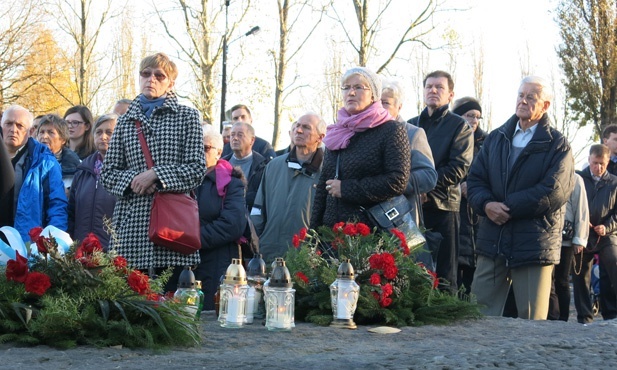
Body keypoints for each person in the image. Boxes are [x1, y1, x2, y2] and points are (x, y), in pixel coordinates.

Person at [467, 76, 574, 320]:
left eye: (531, 97)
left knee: (531, 323)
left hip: (533, 243)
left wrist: (506, 207)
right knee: (477, 316)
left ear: (545, 106)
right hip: (494, 238)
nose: (523, 101)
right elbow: (475, 180)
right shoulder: (495, 138)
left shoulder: (558, 145)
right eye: (520, 95)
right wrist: (486, 204)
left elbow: (554, 191)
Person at [101, 52, 206, 289]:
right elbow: (108, 174)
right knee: (130, 304)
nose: (152, 79)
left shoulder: (187, 117)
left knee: (173, 304)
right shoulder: (125, 121)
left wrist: (157, 174)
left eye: (160, 75)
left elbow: (197, 169)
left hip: (173, 226)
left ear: (171, 82)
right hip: (131, 225)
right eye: (145, 74)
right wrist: (135, 179)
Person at [310, 67, 410, 230]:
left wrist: (346, 189)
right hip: (332, 234)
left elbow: (397, 180)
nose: (351, 93)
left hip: (370, 234)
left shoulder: (391, 130)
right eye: (346, 88)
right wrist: (313, 236)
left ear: (374, 95)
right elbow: (323, 188)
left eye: (358, 87)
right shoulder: (336, 132)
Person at [408, 70, 474, 293]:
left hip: (444, 206)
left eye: (439, 87)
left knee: (445, 273)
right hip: (411, 206)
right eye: (429, 86)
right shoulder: (411, 125)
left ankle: (446, 317)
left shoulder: (460, 127)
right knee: (413, 264)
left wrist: (427, 188)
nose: (433, 90)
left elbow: (459, 168)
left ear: (450, 95)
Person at [251, 113, 326, 262]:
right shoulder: (273, 166)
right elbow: (258, 208)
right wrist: (257, 239)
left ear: (320, 137)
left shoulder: (327, 171)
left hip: (306, 259)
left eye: (306, 128)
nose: (298, 130)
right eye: (297, 126)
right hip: (269, 252)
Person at [193, 125, 247, 310]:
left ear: (218, 152)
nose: (199, 152)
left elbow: (233, 225)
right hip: (184, 260)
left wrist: (193, 239)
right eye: (194, 146)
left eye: (205, 147)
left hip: (217, 262)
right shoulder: (182, 181)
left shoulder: (232, 182)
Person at [0, 105, 67, 241]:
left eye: (20, 126)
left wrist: (53, 243)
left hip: (26, 243)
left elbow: (57, 204)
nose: (13, 130)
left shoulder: (45, 161)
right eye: (8, 124)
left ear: (30, 132)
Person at [381, 80, 437, 225]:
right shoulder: (363, 133)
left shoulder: (412, 133)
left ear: (399, 107)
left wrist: (391, 183)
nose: (380, 108)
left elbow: (428, 176)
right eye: (377, 103)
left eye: (386, 103)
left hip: (401, 220)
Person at [573, 144, 617, 323]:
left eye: (602, 164)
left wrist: (607, 227)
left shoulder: (614, 182)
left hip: (607, 234)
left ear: (607, 162)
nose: (598, 168)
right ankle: (585, 316)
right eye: (595, 163)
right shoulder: (579, 179)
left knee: (614, 262)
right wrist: (580, 223)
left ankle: (612, 312)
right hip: (583, 233)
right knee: (581, 274)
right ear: (589, 160)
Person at [451, 96, 488, 295]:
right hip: (454, 209)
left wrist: (472, 186)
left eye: (477, 117)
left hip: (478, 213)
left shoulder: (487, 143)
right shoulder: (451, 138)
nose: (474, 121)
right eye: (469, 115)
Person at [68, 114, 118, 249]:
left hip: (115, 253)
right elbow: (72, 213)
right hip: (82, 251)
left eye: (109, 132)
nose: (103, 137)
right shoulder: (83, 170)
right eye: (98, 132)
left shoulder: (127, 170)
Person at [548, 172, 588, 321]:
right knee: (548, 281)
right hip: (549, 237)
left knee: (562, 280)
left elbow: (582, 209)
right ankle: (552, 315)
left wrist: (579, 238)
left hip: (566, 239)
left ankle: (563, 318)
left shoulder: (576, 179)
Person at [222, 121, 267, 211]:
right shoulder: (222, 164)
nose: (235, 138)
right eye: (232, 135)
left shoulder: (263, 166)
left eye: (240, 135)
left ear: (252, 140)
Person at [36, 114, 81, 195]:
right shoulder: (27, 161)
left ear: (63, 139)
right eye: (41, 132)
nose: (44, 136)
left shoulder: (77, 167)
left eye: (51, 132)